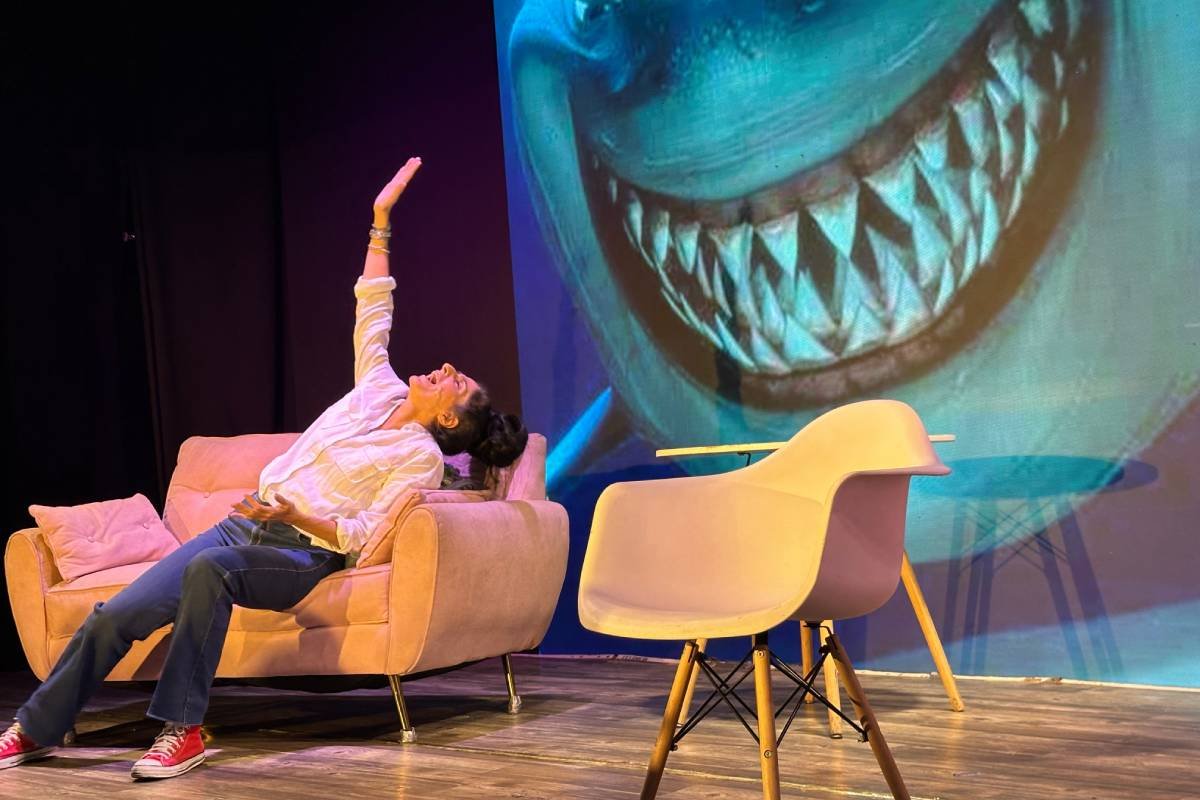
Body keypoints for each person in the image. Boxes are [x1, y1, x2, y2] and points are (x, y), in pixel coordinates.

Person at [0, 157, 528, 780]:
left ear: (447, 420)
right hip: (239, 529)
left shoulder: (419, 459)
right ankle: (35, 728)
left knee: (210, 570)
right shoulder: (377, 388)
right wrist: (380, 220)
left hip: (300, 552)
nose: (446, 369)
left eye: (456, 384)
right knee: (117, 614)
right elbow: (372, 308)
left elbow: (359, 536)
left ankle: (182, 731)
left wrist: (296, 514)